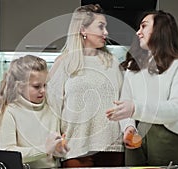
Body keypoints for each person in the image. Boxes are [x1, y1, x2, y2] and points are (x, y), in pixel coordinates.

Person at [106, 10, 178, 166]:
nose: (138, 32)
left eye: (144, 26)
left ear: (160, 30)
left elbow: (177, 108)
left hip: (166, 137)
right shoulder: (133, 65)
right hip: (135, 136)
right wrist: (128, 127)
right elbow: (125, 102)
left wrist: (135, 108)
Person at [46, 4, 124, 168]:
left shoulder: (113, 63)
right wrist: (54, 141)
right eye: (101, 27)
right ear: (83, 29)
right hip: (75, 147)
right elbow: (52, 106)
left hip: (112, 147)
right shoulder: (65, 63)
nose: (106, 33)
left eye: (106, 27)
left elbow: (123, 102)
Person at [0, 55, 69, 168]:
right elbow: (8, 153)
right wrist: (44, 149)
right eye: (37, 86)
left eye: (45, 85)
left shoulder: (51, 107)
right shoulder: (10, 112)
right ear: (20, 87)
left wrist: (59, 150)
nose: (43, 90)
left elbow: (53, 151)